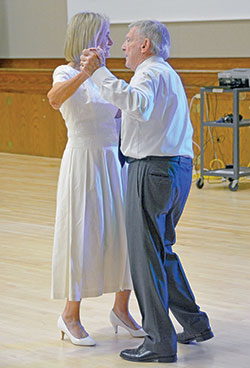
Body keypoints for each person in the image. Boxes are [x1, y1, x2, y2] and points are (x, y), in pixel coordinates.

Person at [80, 19, 214, 361]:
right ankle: (194, 323)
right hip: (175, 170)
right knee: (161, 253)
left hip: (152, 170)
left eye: (128, 40)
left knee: (145, 259)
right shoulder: (164, 72)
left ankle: (159, 341)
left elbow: (138, 106)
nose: (123, 46)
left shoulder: (149, 73)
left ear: (146, 46)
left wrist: (98, 73)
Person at [47, 12, 146, 347]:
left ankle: (121, 308)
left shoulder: (104, 74)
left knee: (123, 235)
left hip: (114, 162)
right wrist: (85, 73)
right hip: (83, 162)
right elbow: (55, 99)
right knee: (82, 233)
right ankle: (70, 315)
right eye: (105, 35)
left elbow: (123, 113)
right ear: (88, 37)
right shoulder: (66, 72)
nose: (111, 43)